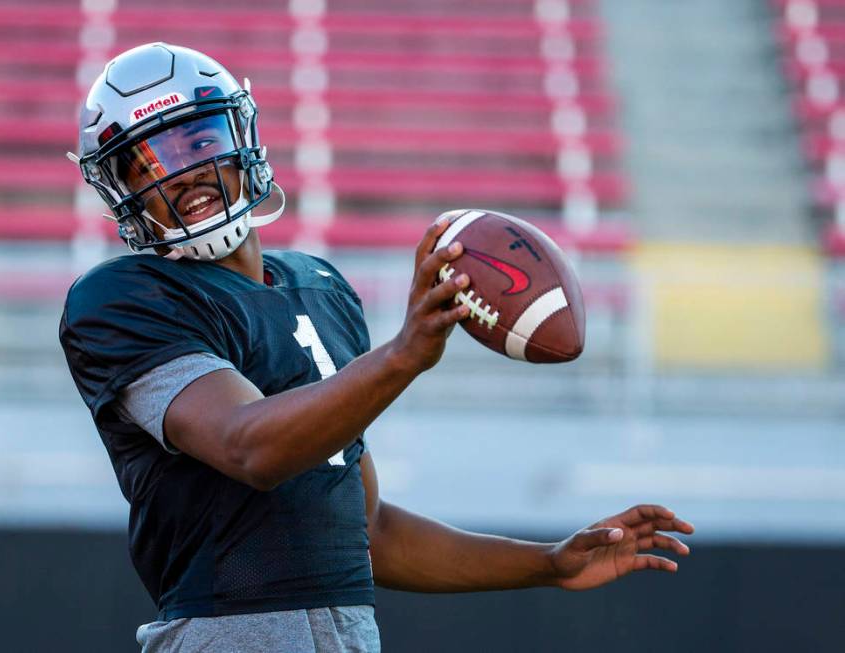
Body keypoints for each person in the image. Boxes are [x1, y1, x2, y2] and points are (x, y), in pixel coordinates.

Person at [60, 43, 694, 653]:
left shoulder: (323, 288)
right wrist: (403, 355)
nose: (181, 172)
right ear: (119, 190)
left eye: (197, 140)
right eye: (146, 163)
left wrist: (551, 563)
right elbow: (247, 446)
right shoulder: (122, 297)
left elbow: (373, 533)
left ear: (241, 136)